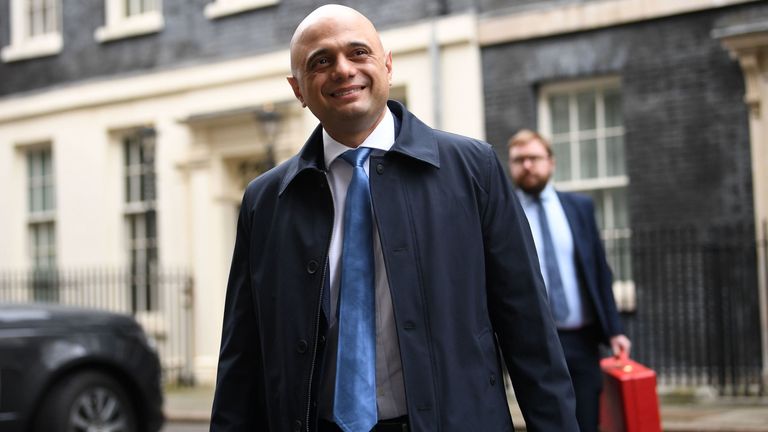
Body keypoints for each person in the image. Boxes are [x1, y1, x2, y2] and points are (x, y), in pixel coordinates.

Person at [210, 5, 579, 431]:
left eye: (358, 52)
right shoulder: (265, 200)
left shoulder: (472, 168)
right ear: (298, 89)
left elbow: (528, 326)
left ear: (387, 64)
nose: (343, 70)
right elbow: (242, 356)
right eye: (321, 61)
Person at [507, 129, 632, 432]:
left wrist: (615, 330)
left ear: (551, 163)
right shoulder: (505, 211)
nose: (527, 166)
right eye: (519, 160)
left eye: (534, 158)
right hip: (534, 341)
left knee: (587, 421)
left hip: (582, 339)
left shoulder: (580, 207)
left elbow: (599, 272)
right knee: (547, 423)